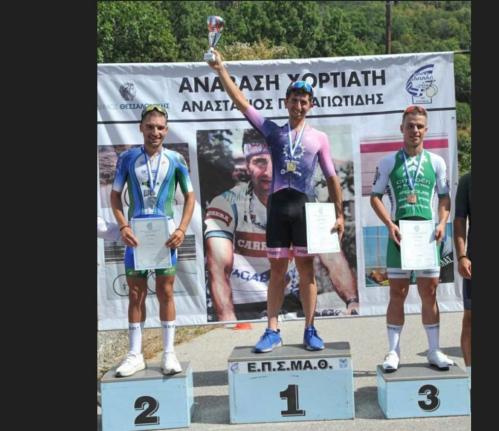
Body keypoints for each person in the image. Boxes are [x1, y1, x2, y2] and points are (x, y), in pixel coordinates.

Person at [207, 48, 344, 353]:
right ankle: (272, 330)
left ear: (311, 105)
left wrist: (339, 214)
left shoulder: (319, 138)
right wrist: (221, 70)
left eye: (304, 101)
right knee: (278, 272)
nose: (299, 105)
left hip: (306, 209)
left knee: (307, 271)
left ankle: (310, 328)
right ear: (286, 103)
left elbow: (332, 177)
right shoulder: (273, 132)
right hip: (279, 210)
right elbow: (242, 103)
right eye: (294, 100)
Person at [204, 129, 359, 322]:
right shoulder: (226, 203)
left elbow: (333, 258)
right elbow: (218, 270)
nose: (269, 171)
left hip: (289, 301)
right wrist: (229, 322)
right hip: (244, 306)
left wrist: (352, 301)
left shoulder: (307, 198)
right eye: (259, 162)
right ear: (247, 165)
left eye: (276, 161)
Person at [110, 104, 195, 377]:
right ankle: (135, 354)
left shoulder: (176, 159)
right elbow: (115, 196)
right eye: (149, 127)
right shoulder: (127, 158)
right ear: (141, 128)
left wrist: (182, 229)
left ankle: (169, 353)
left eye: (160, 128)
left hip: (165, 237)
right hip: (135, 236)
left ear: (166, 130)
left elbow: (190, 196)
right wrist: (123, 225)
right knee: (136, 293)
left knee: (165, 291)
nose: (154, 132)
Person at [369, 104, 455, 371]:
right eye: (410, 126)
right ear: (402, 129)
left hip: (427, 236)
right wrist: (389, 224)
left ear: (426, 130)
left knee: (429, 292)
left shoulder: (436, 162)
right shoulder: (388, 162)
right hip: (400, 236)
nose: (414, 130)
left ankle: (434, 350)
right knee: (398, 292)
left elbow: (444, 198)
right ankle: (393, 352)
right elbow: (375, 197)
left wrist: (442, 223)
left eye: (419, 126)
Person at [453, 171, 471, 388]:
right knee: (470, 318)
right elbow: (459, 221)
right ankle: (471, 376)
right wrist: (462, 255)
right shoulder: (467, 181)